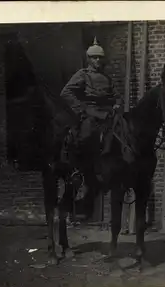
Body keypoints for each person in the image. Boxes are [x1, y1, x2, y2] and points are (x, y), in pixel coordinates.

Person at [60, 37, 123, 200]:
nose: (97, 60)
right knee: (86, 138)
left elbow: (116, 96)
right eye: (94, 57)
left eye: (100, 58)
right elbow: (66, 93)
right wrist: (81, 108)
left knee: (122, 135)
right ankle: (79, 172)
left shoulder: (107, 78)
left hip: (108, 113)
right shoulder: (83, 75)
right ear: (89, 59)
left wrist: (117, 103)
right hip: (90, 112)